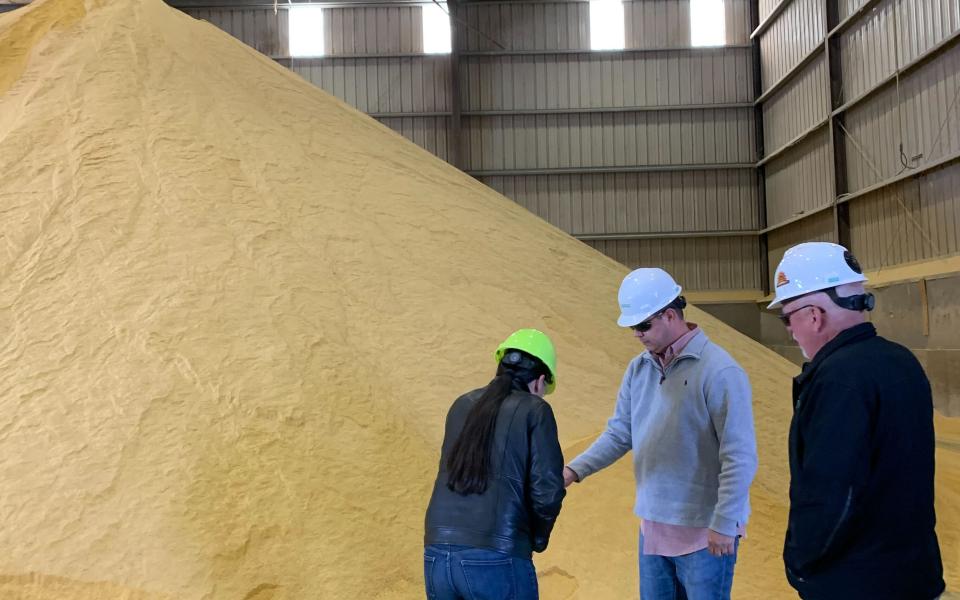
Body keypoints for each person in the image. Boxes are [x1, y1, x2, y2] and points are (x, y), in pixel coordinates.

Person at [564, 267, 757, 600]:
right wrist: (572, 471)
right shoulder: (638, 369)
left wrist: (726, 521)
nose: (637, 335)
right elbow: (620, 433)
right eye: (633, 328)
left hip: (706, 532)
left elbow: (739, 455)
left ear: (669, 315)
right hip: (654, 527)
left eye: (643, 326)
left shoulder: (720, 371)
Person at [769, 242, 945, 599]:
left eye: (787, 318)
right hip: (914, 572)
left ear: (814, 315)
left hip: (855, 581)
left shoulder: (837, 380)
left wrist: (800, 564)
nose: (790, 330)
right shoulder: (901, 361)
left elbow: (832, 492)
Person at [424, 328, 565, 600]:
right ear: (539, 382)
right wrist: (537, 538)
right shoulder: (536, 410)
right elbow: (547, 491)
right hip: (496, 556)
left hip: (437, 554)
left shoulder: (461, 405)